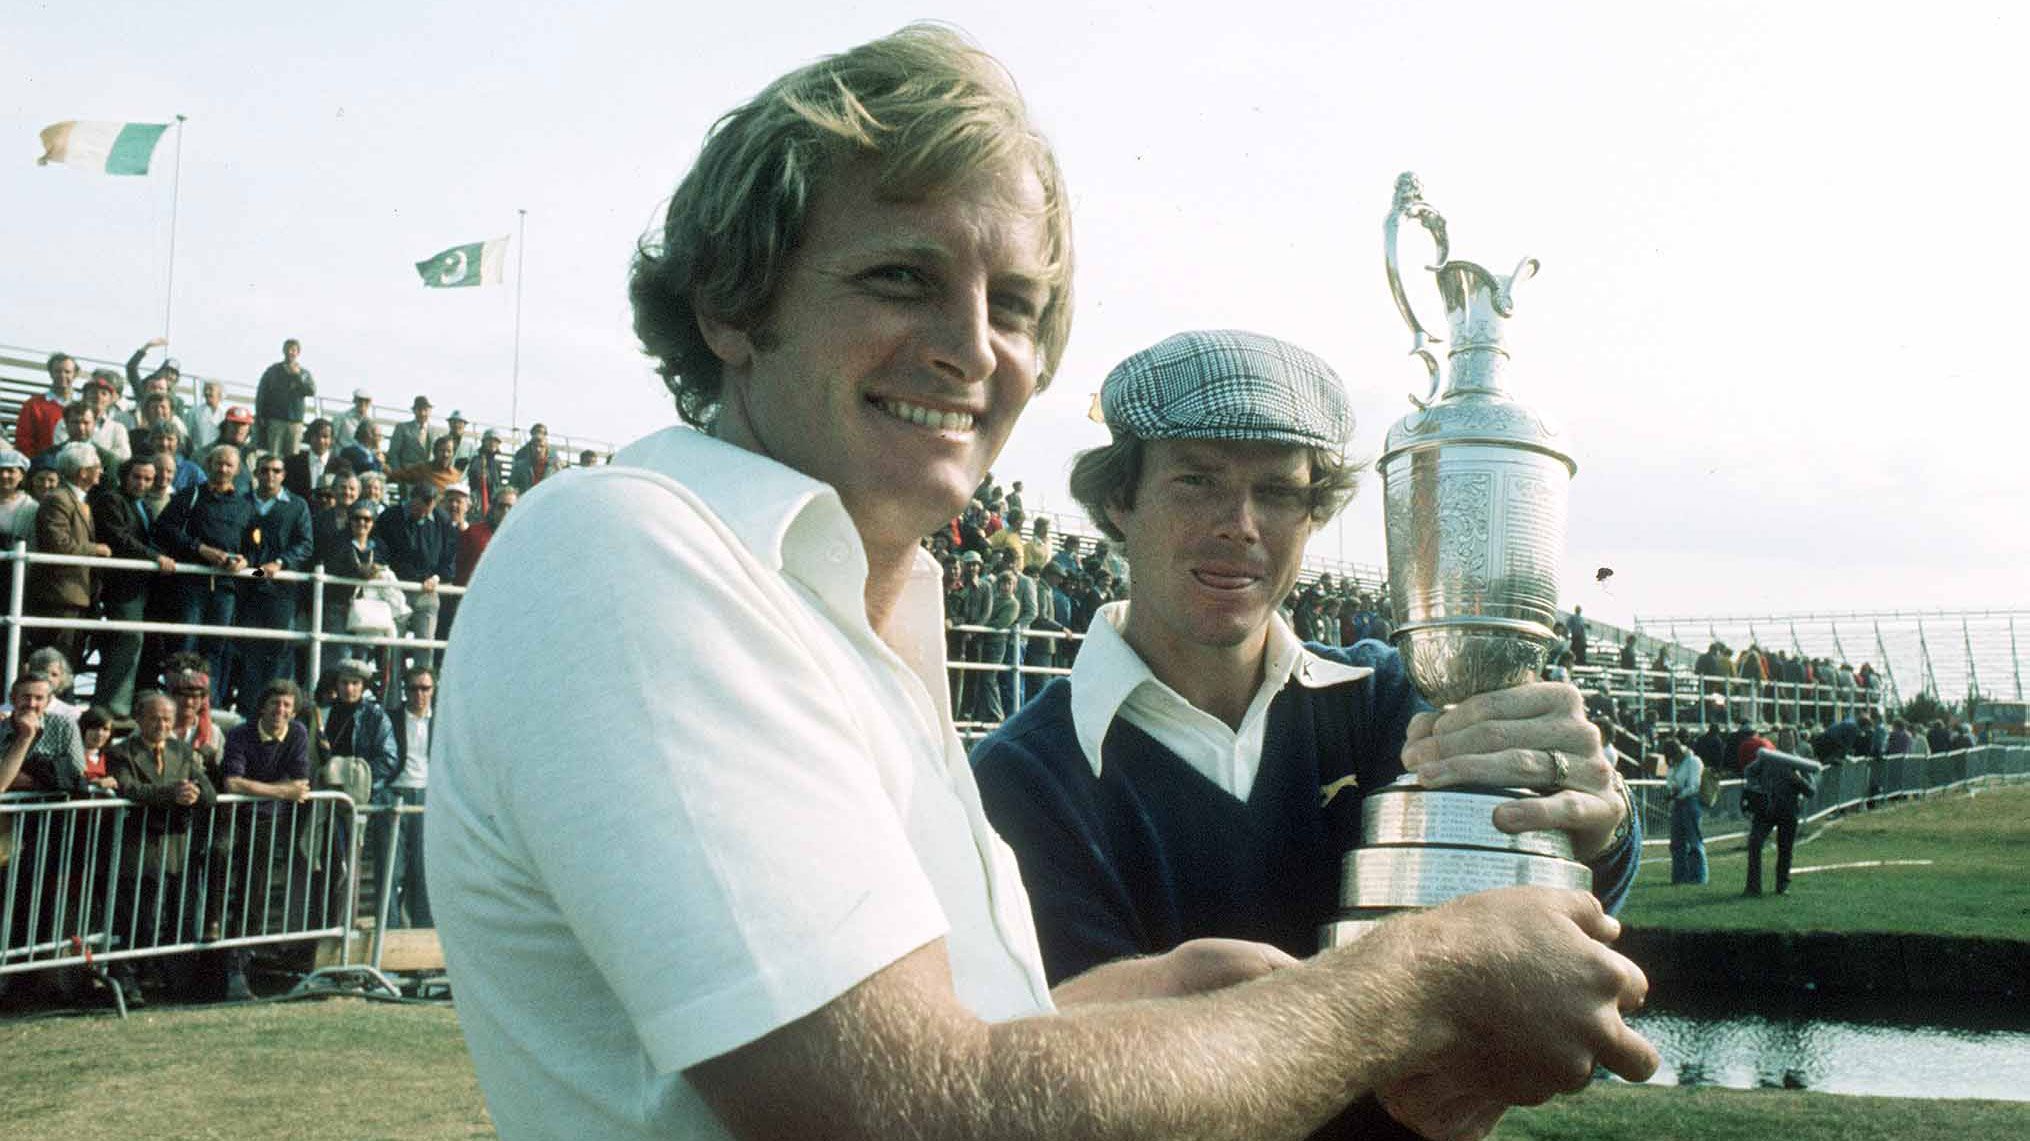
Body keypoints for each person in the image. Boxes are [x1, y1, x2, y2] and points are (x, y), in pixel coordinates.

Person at [428, 27, 1654, 1141]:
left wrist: (1101, 1008)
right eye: (900, 276)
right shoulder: (629, 549)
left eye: (1013, 302)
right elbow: (892, 1112)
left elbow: (934, 1052)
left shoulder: (859, 613)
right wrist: (1408, 983)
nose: (971, 348)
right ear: (734, 304)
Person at [970, 330, 1639, 1140]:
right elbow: (1098, 1094)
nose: (1240, 524)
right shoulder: (1020, 780)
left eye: (1279, 492)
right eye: (1196, 481)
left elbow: (1546, 962)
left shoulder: (1397, 701)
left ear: (1315, 511)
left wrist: (1595, 829)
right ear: (1120, 500)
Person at [103, 690, 220, 1006]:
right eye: (154, 717)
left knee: (162, 918)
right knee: (134, 919)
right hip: (135, 847)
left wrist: (194, 793)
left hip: (173, 849)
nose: (162, 724)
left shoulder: (181, 750)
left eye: (167, 718)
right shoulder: (121, 752)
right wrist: (172, 793)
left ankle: (156, 976)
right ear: (139, 718)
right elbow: (130, 788)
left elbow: (209, 793)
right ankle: (126, 980)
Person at [217, 677, 314, 1000]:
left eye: (287, 705)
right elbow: (232, 783)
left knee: (256, 892)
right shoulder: (240, 734)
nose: (280, 710)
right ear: (262, 706)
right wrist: (280, 791)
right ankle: (228, 965)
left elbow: (301, 784)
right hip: (236, 819)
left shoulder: (297, 733)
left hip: (272, 822)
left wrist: (268, 790)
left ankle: (244, 963)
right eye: (275, 703)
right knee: (233, 888)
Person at [154, 443, 255, 702]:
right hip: (191, 583)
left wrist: (244, 562)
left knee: (216, 648)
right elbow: (164, 529)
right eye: (218, 463)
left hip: (225, 588)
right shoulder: (190, 495)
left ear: (237, 469)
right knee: (186, 645)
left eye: (228, 465)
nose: (222, 469)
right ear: (208, 465)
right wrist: (200, 549)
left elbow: (254, 549)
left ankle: (212, 706)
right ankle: (176, 701)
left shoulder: (245, 506)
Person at [92, 456, 181, 716]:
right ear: (124, 476)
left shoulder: (143, 506)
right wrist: (155, 557)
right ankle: (112, 708)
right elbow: (119, 538)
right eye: (137, 477)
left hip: (143, 587)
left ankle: (129, 705)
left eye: (148, 479)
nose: (142, 483)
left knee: (140, 643)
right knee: (128, 640)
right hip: (122, 586)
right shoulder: (111, 500)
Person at [231, 453, 314, 714]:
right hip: (250, 581)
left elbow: (305, 544)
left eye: (276, 471)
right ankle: (250, 712)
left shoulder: (296, 505)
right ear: (256, 474)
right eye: (265, 470)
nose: (270, 476)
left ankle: (279, 711)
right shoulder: (242, 502)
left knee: (280, 649)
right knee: (250, 650)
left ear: (284, 475)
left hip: (281, 588)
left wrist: (281, 562)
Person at [26, 442, 111, 666]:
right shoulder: (58, 499)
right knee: (57, 660)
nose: (101, 471)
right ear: (83, 472)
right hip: (59, 596)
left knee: (69, 658)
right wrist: (96, 549)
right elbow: (58, 544)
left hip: (76, 594)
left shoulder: (80, 500)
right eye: (97, 466)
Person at [372, 481, 457, 672]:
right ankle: (391, 700)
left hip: (428, 591)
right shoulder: (390, 517)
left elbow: (449, 556)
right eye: (420, 509)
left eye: (429, 510)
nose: (424, 515)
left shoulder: (441, 519)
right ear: (411, 499)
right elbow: (378, 549)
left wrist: (437, 577)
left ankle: (422, 696)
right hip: (395, 591)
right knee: (393, 649)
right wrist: (384, 572)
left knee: (425, 647)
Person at [377, 664, 436, 927]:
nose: (419, 694)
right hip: (395, 793)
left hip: (427, 797)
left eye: (425, 688)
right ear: (405, 691)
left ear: (433, 690)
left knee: (424, 872)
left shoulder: (442, 722)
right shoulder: (390, 718)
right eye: (413, 688)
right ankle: (389, 935)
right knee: (390, 868)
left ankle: (422, 934)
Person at [1742, 742, 1821, 896]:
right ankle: (1753, 887)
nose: (1786, 741)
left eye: (1789, 738)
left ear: (1794, 741)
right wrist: (1756, 786)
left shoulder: (1799, 763)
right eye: (1784, 738)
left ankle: (1782, 886)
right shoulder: (1768, 758)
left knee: (1785, 849)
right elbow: (1749, 772)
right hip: (1766, 809)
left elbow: (1811, 791)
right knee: (1754, 843)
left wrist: (1797, 779)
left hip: (1788, 811)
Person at [0, 672, 85, 794]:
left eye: (39, 698)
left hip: (54, 808)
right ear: (13, 699)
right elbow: (1, 784)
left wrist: (33, 780)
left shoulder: (64, 725)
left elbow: (77, 773)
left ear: (48, 701)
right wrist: (26, 737)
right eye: (26, 697)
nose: (31, 704)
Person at [253, 337, 316, 458]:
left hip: (295, 423)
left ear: (298, 353)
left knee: (292, 458)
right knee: (273, 456)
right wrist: (260, 416)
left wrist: (297, 376)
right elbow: (261, 393)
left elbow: (311, 391)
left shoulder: (304, 373)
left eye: (293, 350)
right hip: (276, 421)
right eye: (288, 349)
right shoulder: (273, 371)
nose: (290, 352)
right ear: (283, 350)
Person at [1663, 735, 1707, 885]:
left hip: (1690, 803)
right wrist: (1672, 790)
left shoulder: (1693, 761)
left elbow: (1694, 785)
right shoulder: (1674, 764)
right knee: (1676, 843)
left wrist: (1679, 793)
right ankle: (1679, 877)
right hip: (1678, 804)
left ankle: (1698, 877)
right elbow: (1670, 780)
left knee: (1694, 841)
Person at [16, 352, 78, 457]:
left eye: (67, 372)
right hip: (44, 467)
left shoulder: (84, 404)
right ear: (50, 373)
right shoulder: (33, 405)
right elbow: (23, 440)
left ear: (75, 374)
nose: (62, 375)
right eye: (58, 371)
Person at [283, 418, 337, 499]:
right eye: (316, 436)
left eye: (325, 437)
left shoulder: (341, 465)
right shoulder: (291, 463)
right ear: (309, 437)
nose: (321, 440)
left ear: (332, 440)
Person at [387, 396, 442, 471]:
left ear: (430, 411)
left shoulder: (435, 432)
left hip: (428, 475)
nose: (422, 413)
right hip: (407, 474)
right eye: (419, 410)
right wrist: (399, 473)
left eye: (425, 410)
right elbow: (393, 454)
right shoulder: (402, 428)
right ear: (414, 411)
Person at [0, 449, 38, 546]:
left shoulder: (30, 507)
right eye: (0, 470)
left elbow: (32, 544)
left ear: (21, 476)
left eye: (10, 471)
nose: (4, 475)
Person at [466, 429, 508, 517]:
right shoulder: (477, 460)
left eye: (496, 441)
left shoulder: (497, 464)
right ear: (484, 442)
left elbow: (498, 485)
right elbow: (474, 483)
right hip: (479, 504)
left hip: (493, 502)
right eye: (490, 440)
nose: (492, 443)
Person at [508, 423, 558, 491]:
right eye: (536, 432)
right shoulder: (520, 460)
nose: (538, 449)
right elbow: (513, 483)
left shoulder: (554, 463)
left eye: (542, 433)